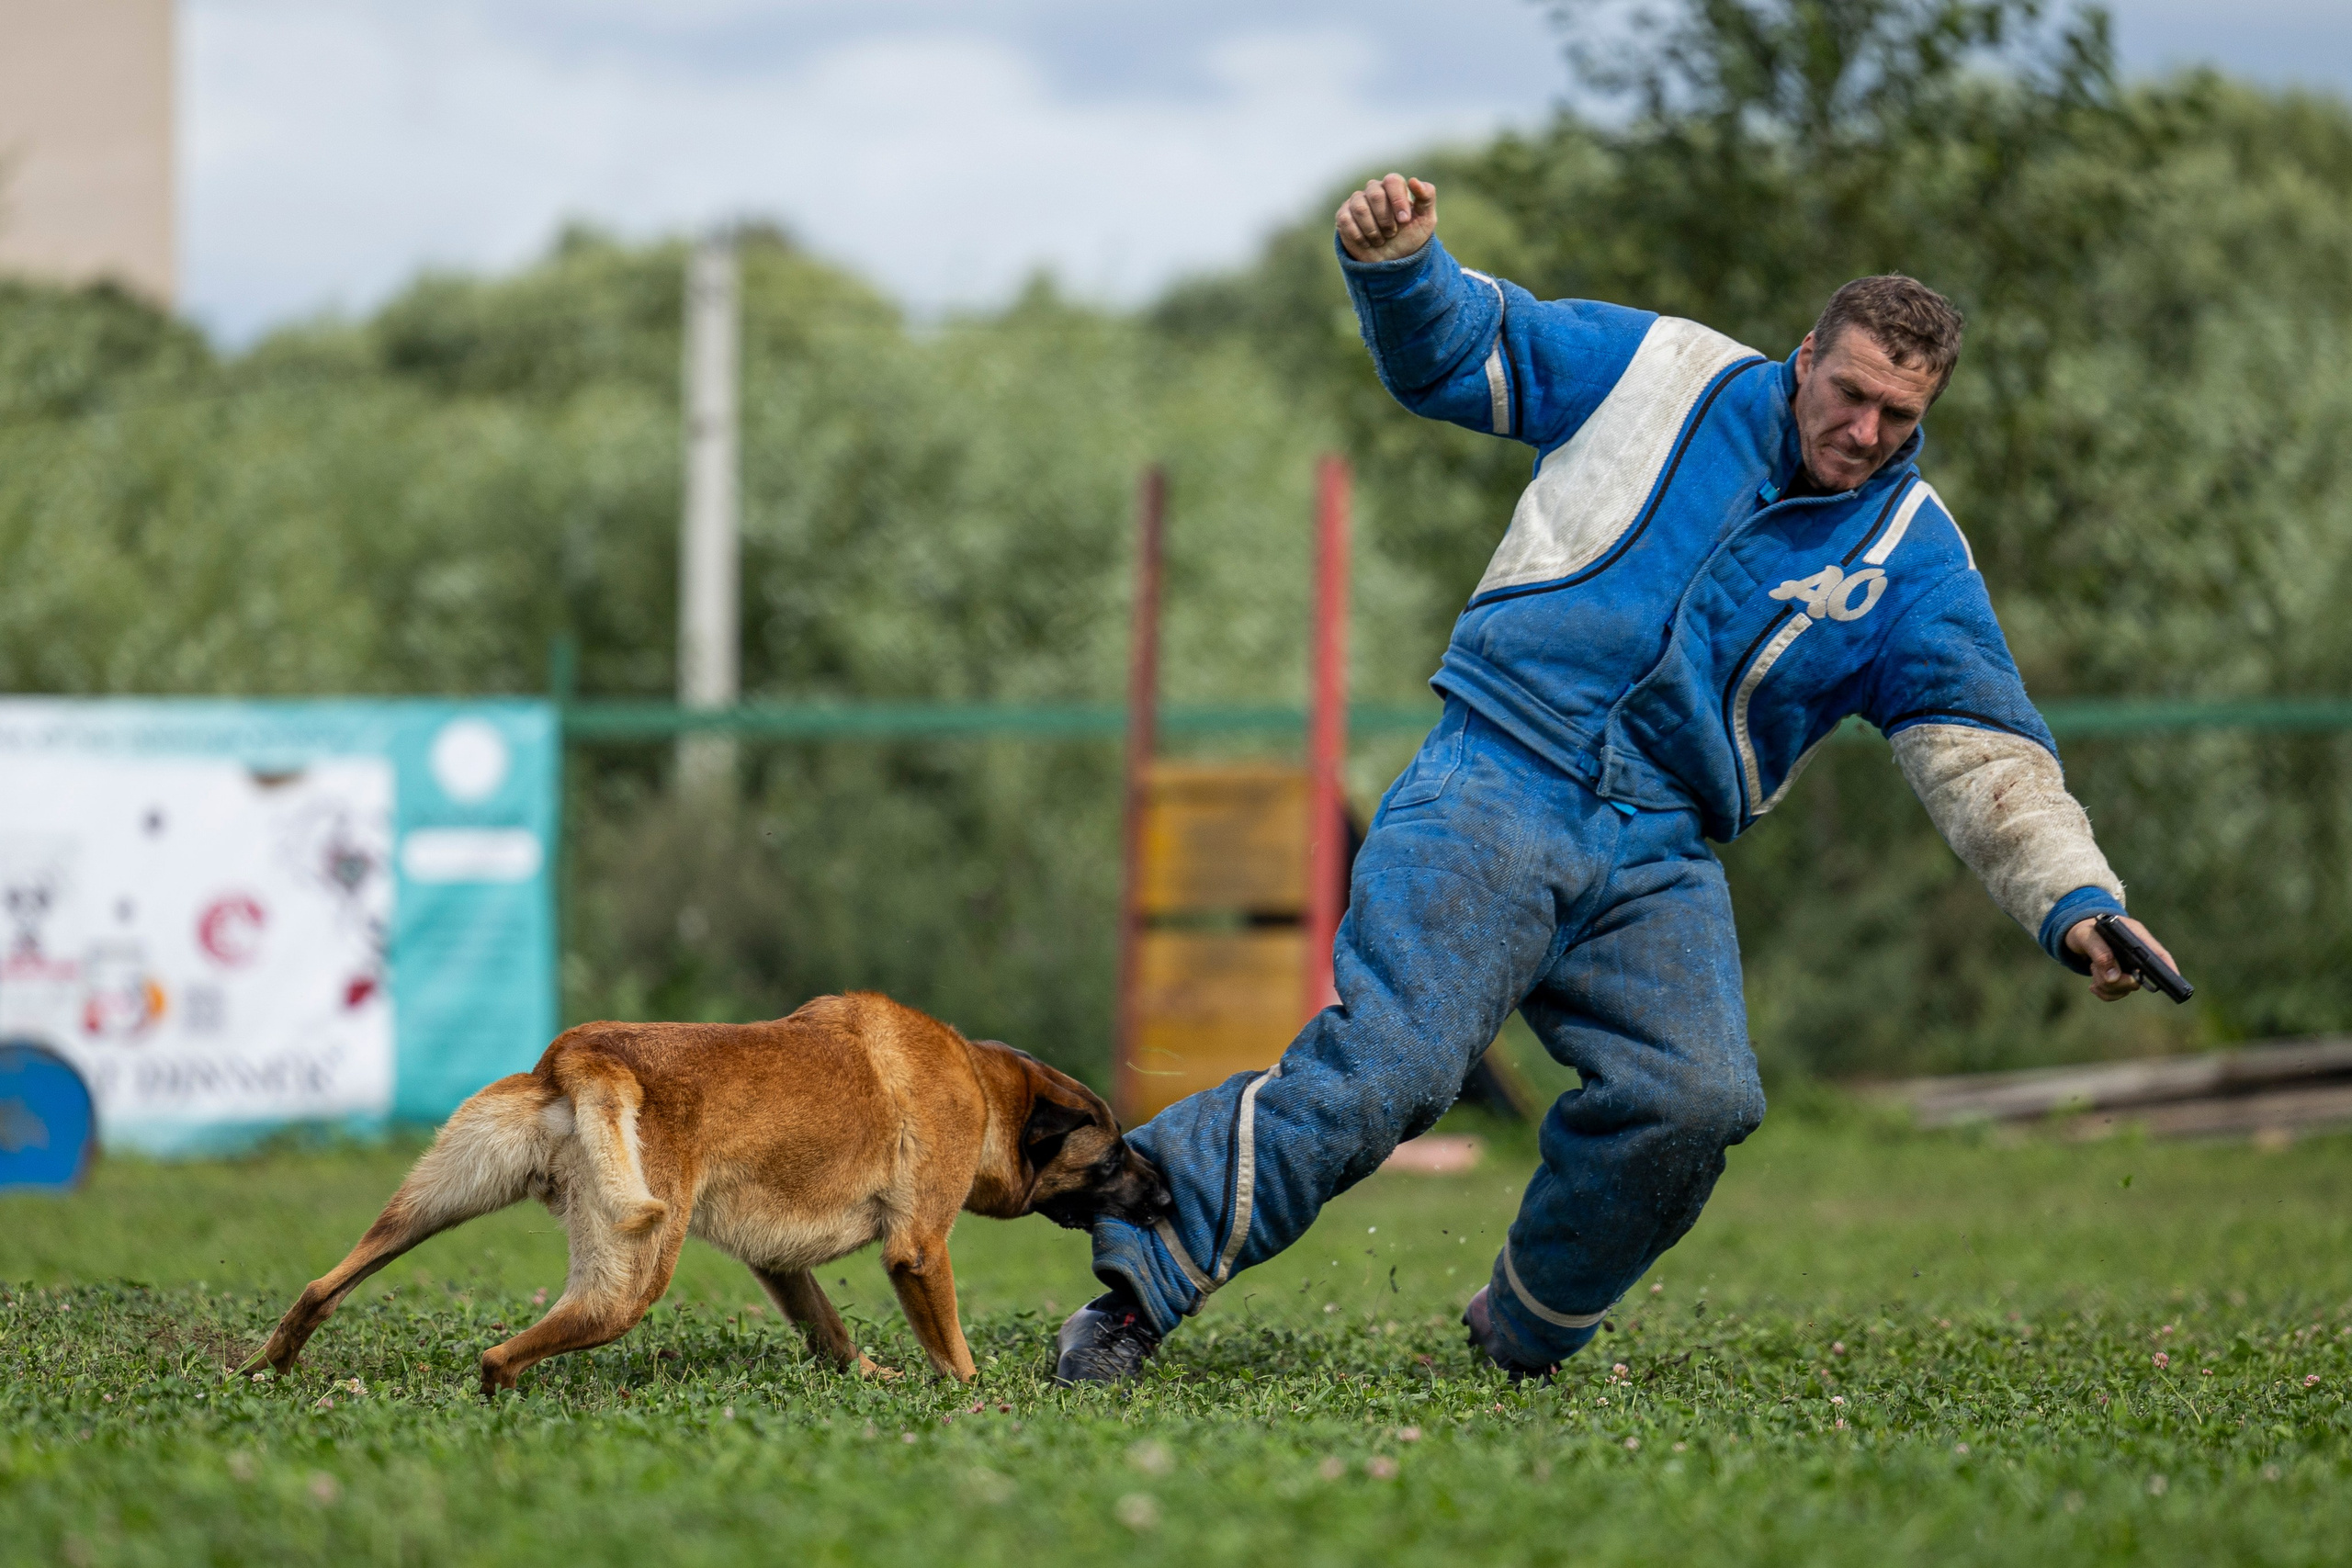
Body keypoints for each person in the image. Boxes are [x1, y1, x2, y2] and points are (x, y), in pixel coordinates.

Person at [1054, 173, 2178, 1383]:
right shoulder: (1660, 370)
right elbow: (1472, 351)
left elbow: (1983, 750)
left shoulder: (1912, 555)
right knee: (1396, 1066)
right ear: (1806, 358)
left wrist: (2077, 900)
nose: (1865, 434)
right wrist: (1400, 269)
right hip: (1498, 774)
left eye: (1898, 417)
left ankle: (1525, 1328)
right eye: (1850, 394)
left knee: (1694, 1102)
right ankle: (1134, 1286)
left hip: (1661, 848)